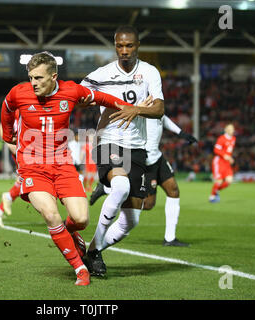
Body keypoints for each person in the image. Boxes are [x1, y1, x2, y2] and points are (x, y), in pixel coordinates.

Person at [0, 51, 154, 286]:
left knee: (81, 219)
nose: (33, 83)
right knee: (51, 214)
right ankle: (80, 268)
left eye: (39, 78)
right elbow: (7, 108)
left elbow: (102, 98)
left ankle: (68, 233)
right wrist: (9, 134)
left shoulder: (70, 91)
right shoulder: (18, 92)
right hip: (32, 167)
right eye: (31, 77)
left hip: (62, 165)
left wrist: (131, 108)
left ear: (54, 76)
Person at [79, 25, 165, 276]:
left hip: (136, 145)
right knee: (122, 187)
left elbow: (159, 108)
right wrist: (88, 100)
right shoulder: (102, 74)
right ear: (115, 46)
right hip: (109, 140)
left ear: (137, 46)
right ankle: (93, 254)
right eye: (120, 46)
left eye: (129, 46)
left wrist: (135, 109)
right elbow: (80, 95)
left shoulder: (149, 72)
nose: (124, 50)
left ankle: (92, 251)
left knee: (131, 221)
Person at [90, 114, 197, 247]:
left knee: (173, 190)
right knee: (147, 204)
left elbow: (163, 118)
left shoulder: (155, 103)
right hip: (144, 159)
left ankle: (170, 238)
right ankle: (106, 188)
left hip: (157, 156)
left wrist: (180, 132)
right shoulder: (139, 103)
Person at [0, 121, 22, 228]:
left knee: (27, 181)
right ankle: (7, 197)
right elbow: (2, 126)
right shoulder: (17, 109)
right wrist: (9, 144)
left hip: (27, 149)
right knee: (32, 181)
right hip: (23, 150)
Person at [209, 123, 236, 203]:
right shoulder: (221, 138)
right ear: (226, 130)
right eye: (230, 129)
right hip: (219, 162)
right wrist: (224, 155)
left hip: (226, 163)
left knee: (229, 181)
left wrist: (230, 158)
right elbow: (216, 150)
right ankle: (212, 196)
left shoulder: (233, 139)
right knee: (219, 181)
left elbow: (229, 151)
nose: (232, 130)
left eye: (233, 129)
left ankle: (216, 190)